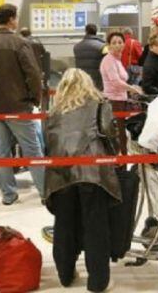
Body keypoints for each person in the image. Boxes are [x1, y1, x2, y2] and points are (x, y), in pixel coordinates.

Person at [44, 68, 121, 293]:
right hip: (92, 172)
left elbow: (48, 141)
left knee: (64, 224)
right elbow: (109, 132)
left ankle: (66, 275)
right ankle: (98, 282)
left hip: (60, 173)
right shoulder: (99, 104)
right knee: (96, 225)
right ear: (89, 85)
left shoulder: (54, 110)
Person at [0, 4, 44, 206]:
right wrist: (33, 100)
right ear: (12, 19)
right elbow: (33, 75)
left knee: (1, 152)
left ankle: (8, 195)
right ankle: (45, 192)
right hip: (18, 107)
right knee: (33, 150)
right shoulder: (19, 43)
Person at [100, 31, 143, 103]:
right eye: (114, 43)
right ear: (109, 45)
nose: (117, 45)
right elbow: (116, 82)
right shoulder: (109, 60)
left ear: (124, 44)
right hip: (113, 101)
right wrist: (132, 89)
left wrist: (132, 88)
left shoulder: (117, 59)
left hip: (120, 99)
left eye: (120, 42)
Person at [73, 24, 106, 90]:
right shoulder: (103, 46)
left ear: (86, 31)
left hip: (82, 80)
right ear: (96, 31)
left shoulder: (77, 47)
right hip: (97, 80)